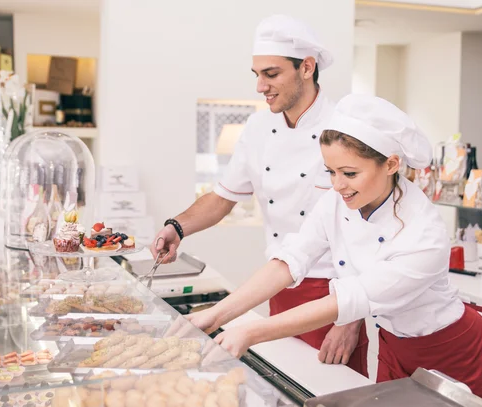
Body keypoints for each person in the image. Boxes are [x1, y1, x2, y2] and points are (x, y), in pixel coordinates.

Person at [187, 94, 482, 406]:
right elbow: (290, 260)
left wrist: (252, 331)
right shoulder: (336, 202)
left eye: (349, 174)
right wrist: (217, 314)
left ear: (390, 164)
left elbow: (348, 299)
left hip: (456, 352)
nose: (337, 185)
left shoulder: (423, 232)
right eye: (330, 172)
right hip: (394, 346)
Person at [151, 14, 369, 376]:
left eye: (271, 74)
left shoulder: (344, 128)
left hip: (335, 294)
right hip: (278, 283)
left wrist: (349, 319)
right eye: (256, 75)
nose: (260, 86)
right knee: (283, 383)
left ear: (307, 68)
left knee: (332, 392)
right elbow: (223, 197)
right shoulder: (256, 127)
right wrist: (178, 226)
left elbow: (364, 230)